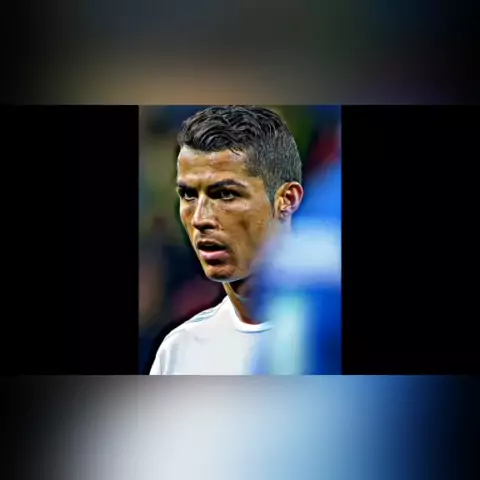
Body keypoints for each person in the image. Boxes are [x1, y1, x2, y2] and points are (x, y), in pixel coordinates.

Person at [149, 105, 304, 374]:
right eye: (188, 195)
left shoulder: (329, 340)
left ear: (287, 200)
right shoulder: (179, 351)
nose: (200, 218)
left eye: (225, 194)